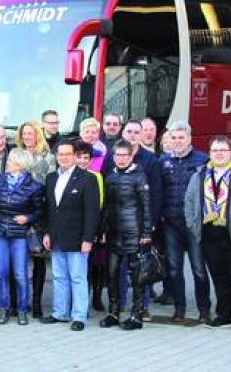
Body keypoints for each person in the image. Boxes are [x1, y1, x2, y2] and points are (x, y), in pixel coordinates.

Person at [184, 136, 231, 333]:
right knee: (219, 277)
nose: (218, 154)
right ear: (209, 153)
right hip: (209, 233)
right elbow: (189, 203)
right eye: (215, 150)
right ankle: (224, 315)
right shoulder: (199, 175)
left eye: (223, 150)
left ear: (230, 152)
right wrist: (194, 226)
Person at [40, 140, 100, 331]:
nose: (64, 157)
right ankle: (60, 313)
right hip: (56, 236)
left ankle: (79, 316)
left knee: (77, 277)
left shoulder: (87, 179)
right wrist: (46, 232)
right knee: (59, 276)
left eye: (68, 154)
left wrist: (88, 239)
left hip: (78, 238)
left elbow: (92, 213)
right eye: (60, 154)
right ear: (56, 156)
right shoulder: (51, 178)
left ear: (75, 156)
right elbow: (49, 209)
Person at [0, 149, 43, 325]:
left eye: (11, 162)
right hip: (0, 231)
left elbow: (39, 211)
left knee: (20, 274)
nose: (7, 164)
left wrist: (27, 218)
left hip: (20, 235)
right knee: (0, 273)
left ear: (20, 166)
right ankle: (3, 309)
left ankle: (22, 310)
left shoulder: (34, 186)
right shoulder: (2, 181)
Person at [159, 121, 211, 322]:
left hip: (193, 224)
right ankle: (179, 308)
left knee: (198, 268)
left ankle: (204, 308)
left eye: (181, 137)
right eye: (174, 137)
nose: (178, 141)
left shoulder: (202, 160)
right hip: (171, 223)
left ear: (189, 139)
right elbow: (158, 190)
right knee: (174, 268)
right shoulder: (163, 161)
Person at [99, 140, 153, 330]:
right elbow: (105, 207)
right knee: (112, 274)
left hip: (134, 233)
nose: (121, 159)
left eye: (125, 156)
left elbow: (147, 206)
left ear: (131, 156)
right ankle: (114, 312)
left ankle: (136, 315)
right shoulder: (110, 176)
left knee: (137, 276)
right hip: (114, 233)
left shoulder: (140, 176)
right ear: (113, 157)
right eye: (118, 156)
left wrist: (146, 232)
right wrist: (103, 230)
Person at [15, 121, 55, 318]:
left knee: (39, 260)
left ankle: (37, 302)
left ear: (37, 135)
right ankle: (20, 302)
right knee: (19, 260)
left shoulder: (48, 157)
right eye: (24, 134)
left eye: (31, 133)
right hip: (18, 213)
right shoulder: (15, 154)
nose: (27, 137)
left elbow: (51, 184)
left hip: (39, 213)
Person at [75, 141, 106, 312]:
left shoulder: (97, 177)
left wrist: (100, 230)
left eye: (86, 158)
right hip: (75, 229)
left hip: (94, 227)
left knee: (97, 264)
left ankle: (97, 297)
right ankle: (82, 301)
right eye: (79, 157)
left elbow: (100, 205)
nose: (82, 161)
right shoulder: (66, 176)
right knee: (81, 268)